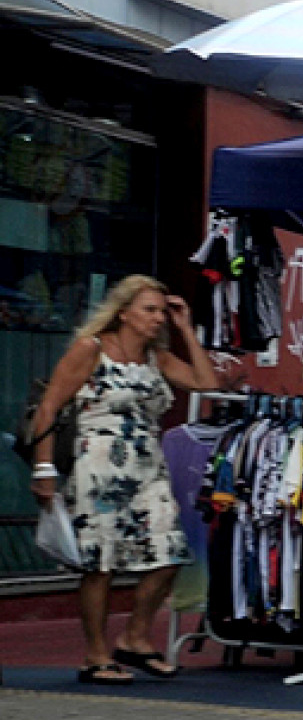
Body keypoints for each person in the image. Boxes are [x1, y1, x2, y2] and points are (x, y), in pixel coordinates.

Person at [28, 275, 220, 683]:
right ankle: (95, 655)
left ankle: (135, 637)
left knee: (170, 551)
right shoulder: (91, 349)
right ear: (123, 312)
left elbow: (208, 384)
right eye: (149, 310)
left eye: (160, 311)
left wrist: (186, 328)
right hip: (97, 467)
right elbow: (48, 408)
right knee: (101, 564)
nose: (157, 319)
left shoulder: (157, 357)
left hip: (148, 468)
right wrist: (44, 469)